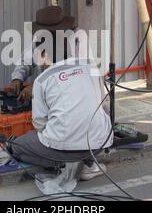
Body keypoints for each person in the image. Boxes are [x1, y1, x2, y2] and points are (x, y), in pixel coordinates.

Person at [10, 49, 113, 181]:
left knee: (17, 147)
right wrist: (17, 77)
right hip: (100, 142)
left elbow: (40, 124)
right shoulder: (91, 67)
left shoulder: (42, 79)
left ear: (44, 57)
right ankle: (90, 165)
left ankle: (66, 165)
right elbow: (105, 106)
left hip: (65, 148)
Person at [9, 5, 77, 101]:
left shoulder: (75, 43)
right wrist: (17, 78)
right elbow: (26, 60)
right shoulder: (39, 40)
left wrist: (37, 87)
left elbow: (64, 75)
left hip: (70, 99)